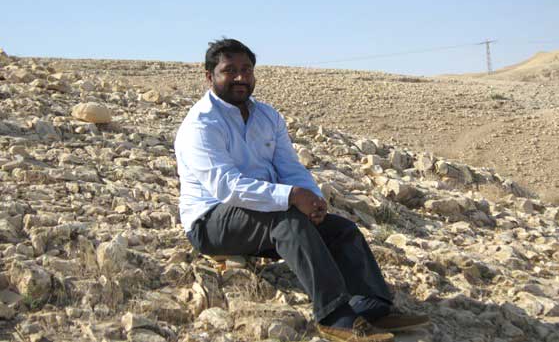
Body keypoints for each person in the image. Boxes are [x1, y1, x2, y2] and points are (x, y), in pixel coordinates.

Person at [175, 38, 429, 342]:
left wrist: (312, 198)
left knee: (341, 230)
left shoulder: (267, 116)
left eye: (247, 70)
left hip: (261, 217)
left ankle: (372, 308)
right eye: (230, 70)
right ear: (209, 76)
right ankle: (335, 317)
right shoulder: (201, 124)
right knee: (287, 219)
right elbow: (226, 186)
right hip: (211, 222)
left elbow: (289, 167)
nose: (241, 77)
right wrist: (292, 197)